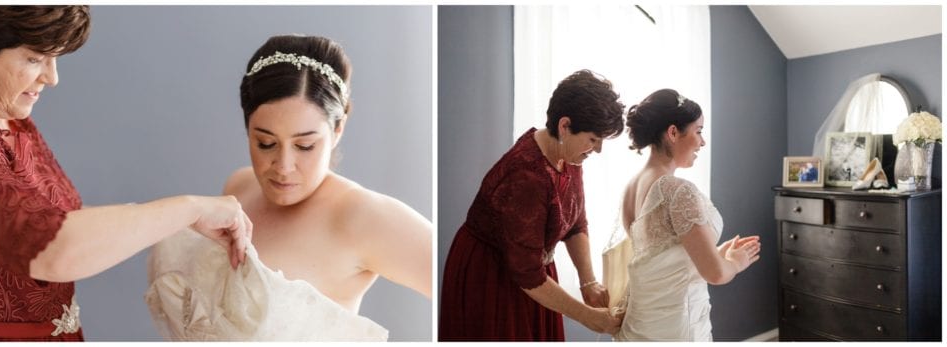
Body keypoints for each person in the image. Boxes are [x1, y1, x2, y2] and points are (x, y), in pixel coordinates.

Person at [0, 6, 252, 341]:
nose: (52, 78)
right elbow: (53, 248)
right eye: (35, 59)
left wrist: (179, 226)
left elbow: (65, 219)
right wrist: (190, 208)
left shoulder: (6, 117)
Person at [145, 35, 432, 341]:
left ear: (338, 129)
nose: (283, 166)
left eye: (305, 146)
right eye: (265, 143)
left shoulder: (362, 216)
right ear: (247, 128)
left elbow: (469, 282)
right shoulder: (239, 185)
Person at [439, 70, 626, 341]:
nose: (597, 150)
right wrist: (587, 316)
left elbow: (575, 223)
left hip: (532, 269)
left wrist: (588, 282)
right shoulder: (527, 176)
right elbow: (526, 273)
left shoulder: (568, 155)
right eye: (593, 139)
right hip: (492, 276)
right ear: (565, 126)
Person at [609, 89, 761, 341]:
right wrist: (735, 261)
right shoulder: (677, 190)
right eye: (699, 131)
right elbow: (716, 274)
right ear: (673, 133)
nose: (703, 142)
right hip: (678, 327)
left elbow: (660, 257)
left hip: (641, 324)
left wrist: (716, 252)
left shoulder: (631, 186)